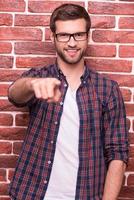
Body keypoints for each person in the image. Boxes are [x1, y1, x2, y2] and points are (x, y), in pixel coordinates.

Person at [8, 3, 128, 200]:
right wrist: (31, 85)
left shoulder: (108, 90)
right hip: (31, 194)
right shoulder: (39, 77)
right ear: (52, 37)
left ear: (87, 36)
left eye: (78, 35)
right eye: (64, 35)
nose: (72, 43)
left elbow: (118, 153)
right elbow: (14, 95)